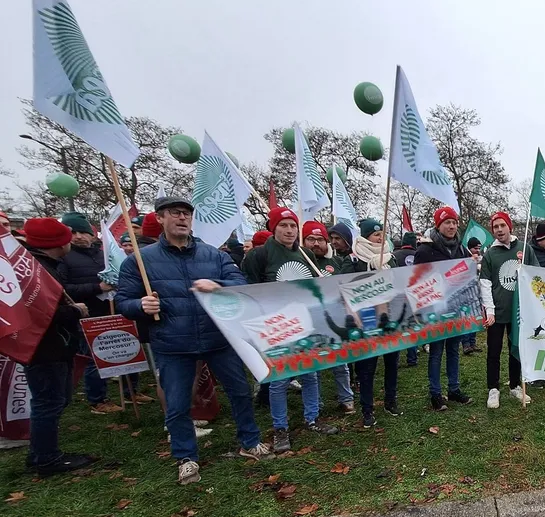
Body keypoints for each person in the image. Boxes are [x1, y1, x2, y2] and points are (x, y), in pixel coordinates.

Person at [116, 197, 273, 484]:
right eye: (175, 213)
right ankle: (186, 457)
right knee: (177, 404)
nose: (182, 218)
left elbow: (240, 284)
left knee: (239, 392)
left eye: (187, 213)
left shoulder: (213, 255)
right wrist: (140, 306)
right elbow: (123, 301)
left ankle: (250, 442)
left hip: (218, 339)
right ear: (161, 218)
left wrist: (220, 285)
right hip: (173, 343)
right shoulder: (140, 260)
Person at [241, 207, 340, 452]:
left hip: (304, 322)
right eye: (283, 225)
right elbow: (248, 292)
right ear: (273, 228)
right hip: (275, 326)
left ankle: (312, 418)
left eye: (293, 226)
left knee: (310, 373)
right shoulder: (259, 256)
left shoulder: (306, 254)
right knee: (280, 380)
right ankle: (280, 429)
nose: (289, 230)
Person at [20, 218, 96, 476]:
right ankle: (46, 458)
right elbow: (40, 313)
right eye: (68, 235)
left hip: (55, 346)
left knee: (55, 400)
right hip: (46, 348)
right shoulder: (37, 270)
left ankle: (39, 453)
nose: (73, 240)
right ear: (56, 242)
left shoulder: (45, 266)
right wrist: (74, 310)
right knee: (48, 402)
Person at [58, 212, 131, 414]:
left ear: (92, 234)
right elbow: (63, 289)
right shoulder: (65, 257)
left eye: (83, 232)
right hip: (87, 317)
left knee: (124, 352)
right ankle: (98, 400)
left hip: (113, 311)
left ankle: (131, 392)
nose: (79, 236)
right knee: (95, 359)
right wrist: (97, 287)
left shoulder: (104, 254)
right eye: (73, 232)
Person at [343, 217, 403, 426]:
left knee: (391, 363)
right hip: (366, 323)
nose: (380, 238)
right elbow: (343, 288)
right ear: (366, 236)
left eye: (381, 234)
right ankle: (367, 409)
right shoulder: (353, 260)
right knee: (366, 368)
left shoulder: (390, 258)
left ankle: (390, 400)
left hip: (389, 320)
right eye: (376, 234)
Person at [414, 206, 473, 411]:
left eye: (454, 222)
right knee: (436, 352)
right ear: (438, 225)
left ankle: (454, 389)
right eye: (447, 222)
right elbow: (417, 280)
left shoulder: (461, 248)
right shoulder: (424, 250)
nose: (451, 226)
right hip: (435, 309)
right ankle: (436, 394)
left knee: (454, 350)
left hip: (456, 307)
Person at [479, 211, 534, 408]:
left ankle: (514, 385)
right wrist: (490, 311)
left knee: (515, 349)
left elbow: (535, 276)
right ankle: (493, 389)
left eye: (502, 225)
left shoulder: (524, 248)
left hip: (518, 311)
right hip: (498, 312)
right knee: (494, 351)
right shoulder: (490, 254)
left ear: (509, 226)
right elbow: (485, 283)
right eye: (495, 227)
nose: (499, 230)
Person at [301, 220, 355, 414]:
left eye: (320, 239)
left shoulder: (336, 262)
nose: (316, 244)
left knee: (340, 362)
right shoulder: (300, 261)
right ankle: (315, 404)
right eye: (311, 239)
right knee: (312, 366)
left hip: (333, 319)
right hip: (308, 320)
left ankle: (346, 398)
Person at [392, 232, 420, 367]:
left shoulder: (394, 256)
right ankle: (412, 357)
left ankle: (395, 359)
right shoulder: (419, 255)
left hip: (398, 296)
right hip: (414, 294)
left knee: (398, 327)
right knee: (412, 327)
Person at [461, 236, 484, 355]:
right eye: (476, 248)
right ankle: (466, 344)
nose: (478, 250)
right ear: (470, 248)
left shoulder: (477, 258)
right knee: (467, 319)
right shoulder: (465, 257)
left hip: (475, 292)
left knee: (475, 318)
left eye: (479, 248)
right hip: (466, 293)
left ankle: (472, 343)